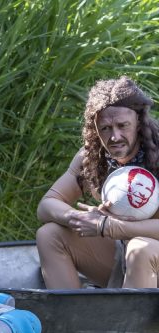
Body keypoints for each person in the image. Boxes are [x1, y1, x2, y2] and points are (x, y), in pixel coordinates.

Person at [36, 76, 159, 289]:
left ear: (139, 121)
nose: (114, 137)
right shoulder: (92, 158)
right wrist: (80, 218)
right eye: (105, 128)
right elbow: (47, 205)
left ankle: (131, 322)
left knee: (140, 248)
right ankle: (72, 319)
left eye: (122, 125)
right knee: (49, 234)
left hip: (148, 254)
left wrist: (110, 227)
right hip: (125, 257)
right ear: (95, 128)